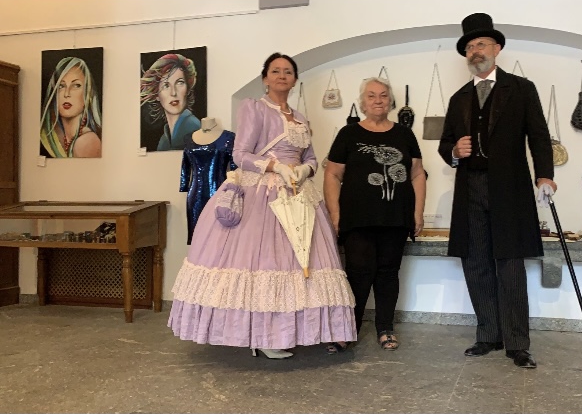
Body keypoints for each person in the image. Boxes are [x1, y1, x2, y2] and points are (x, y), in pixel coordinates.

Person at [168, 52, 357, 358]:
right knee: (264, 263)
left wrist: (304, 169)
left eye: (288, 72)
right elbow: (240, 154)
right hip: (263, 194)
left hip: (298, 194)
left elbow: (311, 157)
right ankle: (261, 336)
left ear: (295, 80)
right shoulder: (254, 108)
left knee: (298, 264)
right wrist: (274, 167)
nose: (282, 76)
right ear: (265, 78)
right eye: (276, 71)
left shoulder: (301, 118)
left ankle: (283, 332)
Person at [437, 12, 557, 368]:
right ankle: (488, 334)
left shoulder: (521, 88)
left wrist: (545, 176)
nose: (475, 51)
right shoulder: (459, 98)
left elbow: (539, 136)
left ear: (497, 48)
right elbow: (445, 144)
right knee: (476, 262)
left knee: (510, 263)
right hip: (470, 188)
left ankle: (517, 342)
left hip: (510, 188)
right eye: (469, 47)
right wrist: (454, 152)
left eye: (481, 44)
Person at [324, 77, 426, 351]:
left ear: (390, 101)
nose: (378, 100)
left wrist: (418, 212)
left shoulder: (404, 135)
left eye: (383, 95)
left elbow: (417, 174)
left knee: (388, 273)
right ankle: (348, 330)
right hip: (357, 218)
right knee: (358, 273)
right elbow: (332, 174)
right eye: (371, 96)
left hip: (395, 217)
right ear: (363, 102)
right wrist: (335, 214)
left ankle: (385, 328)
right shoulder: (348, 134)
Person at [179, 117, 238, 245]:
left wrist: (237, 188)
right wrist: (184, 184)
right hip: (195, 195)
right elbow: (185, 165)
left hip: (219, 192)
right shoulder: (188, 138)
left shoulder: (229, 137)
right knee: (197, 235)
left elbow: (235, 168)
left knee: (219, 236)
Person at [40, 57, 102, 158]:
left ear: (88, 93)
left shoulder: (87, 141)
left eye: (76, 85)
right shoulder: (48, 136)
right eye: (61, 86)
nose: (66, 94)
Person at [140, 53, 201, 151]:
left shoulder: (193, 128)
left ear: (188, 89)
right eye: (166, 86)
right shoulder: (164, 141)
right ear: (157, 95)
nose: (173, 93)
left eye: (180, 82)